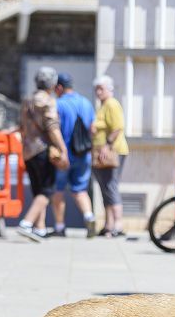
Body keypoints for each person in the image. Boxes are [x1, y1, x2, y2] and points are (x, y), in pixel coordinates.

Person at [16, 66, 67, 242]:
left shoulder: (27, 100)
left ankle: (40, 228)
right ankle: (27, 223)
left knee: (38, 189)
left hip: (27, 150)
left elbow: (21, 126)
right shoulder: (48, 101)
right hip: (43, 150)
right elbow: (52, 128)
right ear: (52, 84)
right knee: (47, 190)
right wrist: (63, 149)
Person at [50, 72, 97, 237]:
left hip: (63, 156)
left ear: (59, 87)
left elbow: (53, 129)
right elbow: (93, 129)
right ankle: (89, 216)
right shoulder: (86, 103)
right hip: (83, 155)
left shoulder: (58, 104)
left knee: (58, 190)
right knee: (80, 190)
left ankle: (60, 226)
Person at [90, 75, 129, 237]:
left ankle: (117, 225)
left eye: (101, 88)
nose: (98, 92)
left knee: (110, 187)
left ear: (109, 89)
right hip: (101, 152)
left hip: (112, 151)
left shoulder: (112, 104)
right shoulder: (103, 105)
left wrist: (107, 145)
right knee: (105, 188)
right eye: (97, 89)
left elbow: (118, 127)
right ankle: (109, 224)